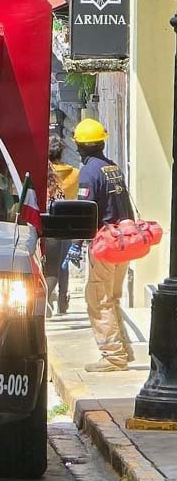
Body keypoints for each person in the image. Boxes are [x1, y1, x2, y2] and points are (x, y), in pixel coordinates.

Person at [74, 118, 136, 373]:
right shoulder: (113, 168)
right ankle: (124, 349)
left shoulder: (89, 172)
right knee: (112, 298)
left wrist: (76, 243)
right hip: (124, 241)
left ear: (80, 146)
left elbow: (85, 211)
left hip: (105, 243)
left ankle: (113, 356)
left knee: (98, 299)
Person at [45, 135, 78, 315]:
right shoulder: (75, 174)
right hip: (66, 225)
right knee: (63, 265)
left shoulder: (43, 173)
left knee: (48, 265)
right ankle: (62, 302)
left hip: (45, 224)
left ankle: (44, 297)